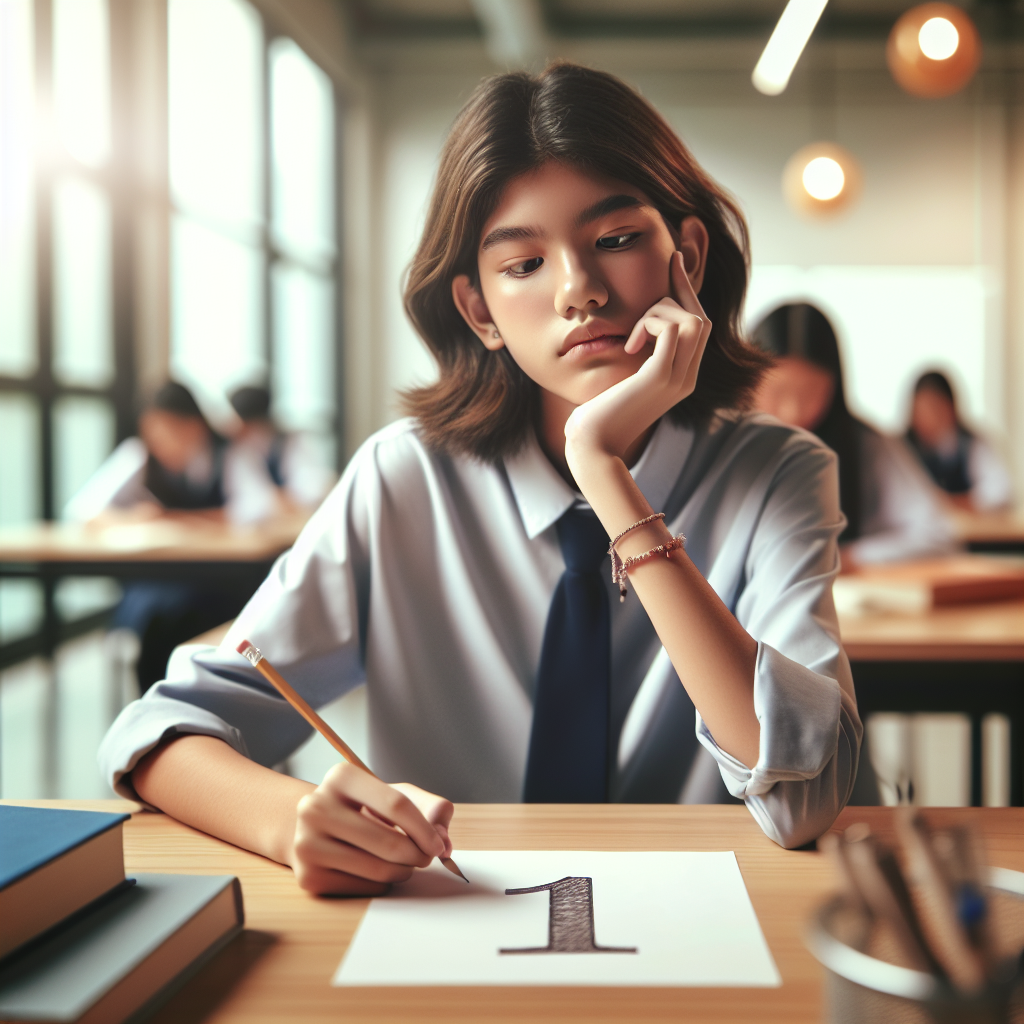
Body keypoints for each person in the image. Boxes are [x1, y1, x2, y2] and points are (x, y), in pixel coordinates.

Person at [100, 63, 864, 896]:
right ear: (479, 313)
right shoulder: (406, 477)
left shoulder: (782, 471)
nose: (581, 290)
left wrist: (603, 472)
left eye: (613, 240)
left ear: (685, 255)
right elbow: (161, 728)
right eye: (525, 264)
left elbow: (804, 797)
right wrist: (288, 821)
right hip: (445, 926)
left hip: (699, 923)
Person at [65, 382, 256, 691]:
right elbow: (82, 511)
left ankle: (205, 705)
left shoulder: (230, 454)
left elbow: (255, 512)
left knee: (195, 619)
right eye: (152, 434)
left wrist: (177, 519)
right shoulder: (140, 455)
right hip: (159, 579)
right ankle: (158, 709)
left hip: (218, 578)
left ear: (194, 425)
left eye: (168, 432)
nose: (160, 443)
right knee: (157, 618)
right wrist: (133, 518)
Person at [751, 304, 955, 567]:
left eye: (810, 393)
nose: (793, 412)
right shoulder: (722, 440)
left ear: (834, 386)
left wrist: (844, 557)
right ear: (748, 380)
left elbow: (939, 535)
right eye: (777, 392)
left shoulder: (866, 444)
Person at [905, 371, 1012, 512]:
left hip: (968, 531)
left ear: (950, 407)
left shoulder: (971, 443)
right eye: (920, 410)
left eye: (934, 408)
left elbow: (1001, 492)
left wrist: (950, 502)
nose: (927, 418)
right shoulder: (902, 447)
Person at [227, 385, 337, 516]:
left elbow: (316, 486)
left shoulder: (292, 441)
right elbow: (243, 504)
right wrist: (279, 500)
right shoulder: (239, 451)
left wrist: (278, 500)